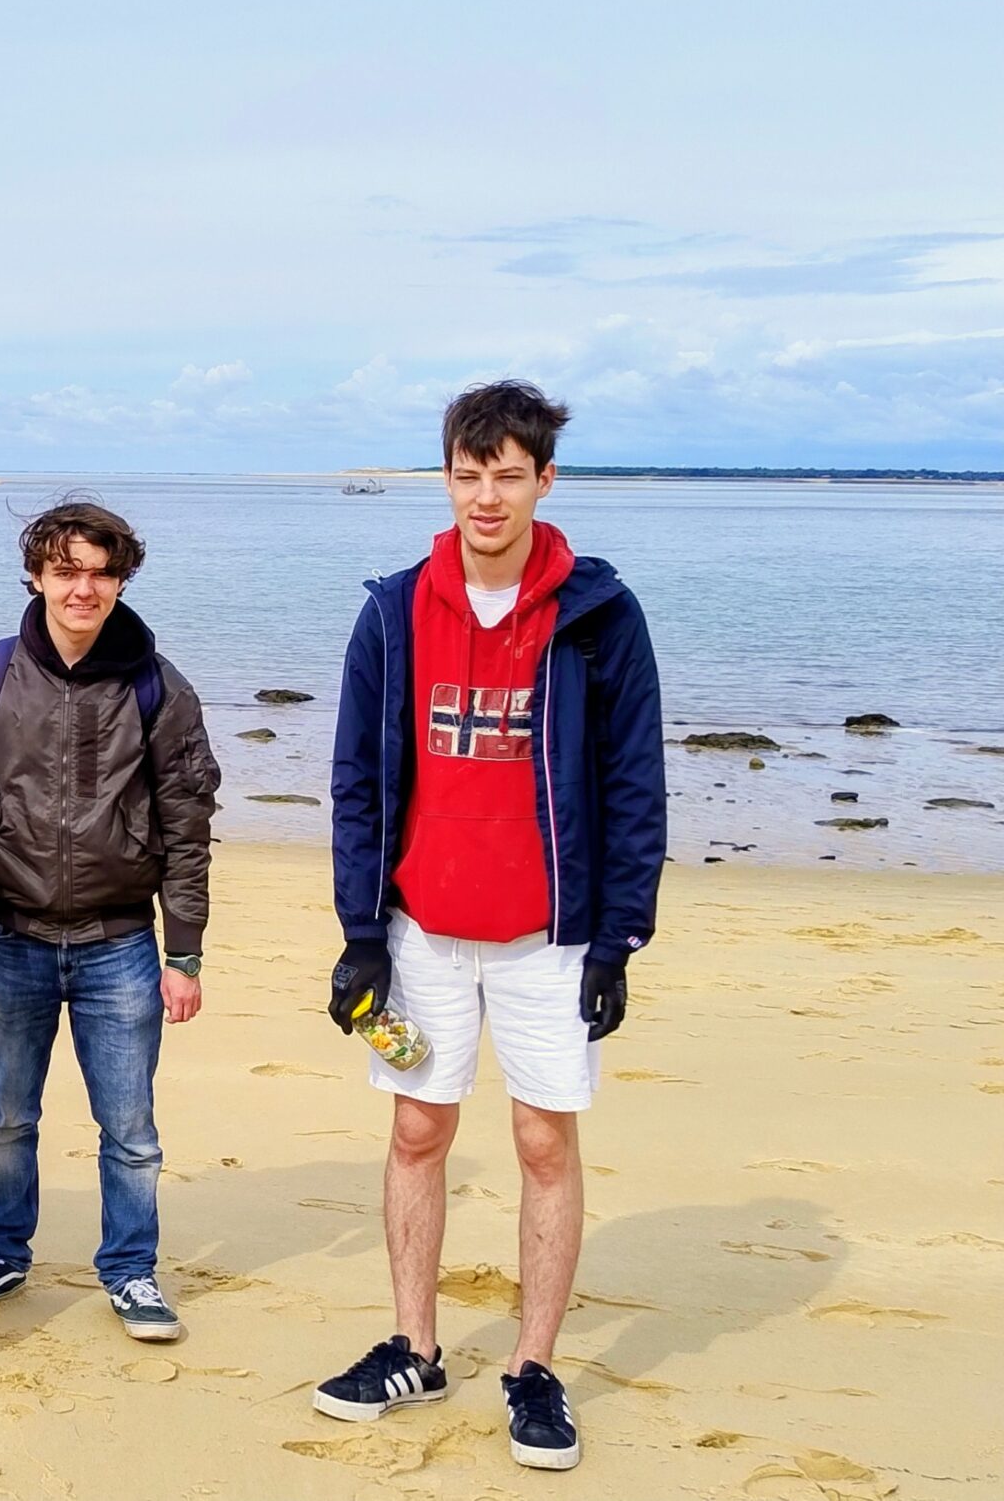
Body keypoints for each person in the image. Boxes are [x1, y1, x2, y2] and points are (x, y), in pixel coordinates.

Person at [314, 380, 665, 1474]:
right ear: (447, 476)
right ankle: (414, 1347)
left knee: (540, 1141)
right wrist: (360, 927)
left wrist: (616, 938)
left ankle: (533, 1368)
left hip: (548, 938)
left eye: (507, 473)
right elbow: (359, 780)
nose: (485, 494)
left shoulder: (596, 615)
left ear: (543, 479)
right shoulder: (394, 610)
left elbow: (634, 784)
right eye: (468, 474)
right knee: (418, 1131)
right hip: (420, 931)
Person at [0, 498, 220, 1345]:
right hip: (8, 936)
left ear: (121, 578)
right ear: (37, 575)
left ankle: (130, 1270)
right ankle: (0, 1252)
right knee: (6, 1114)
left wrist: (185, 951)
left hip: (119, 941)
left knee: (129, 1128)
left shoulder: (160, 686)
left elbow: (187, 823)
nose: (82, 587)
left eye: (99, 571)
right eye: (66, 570)